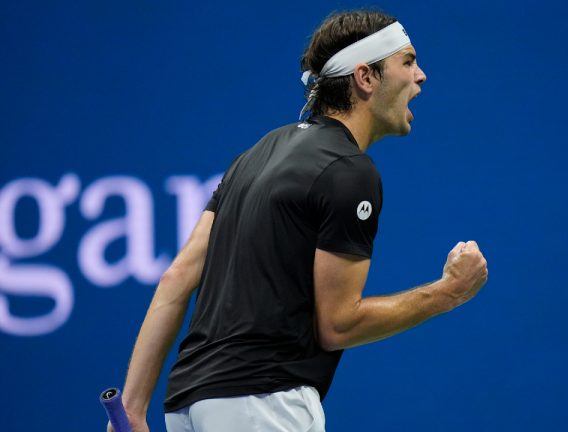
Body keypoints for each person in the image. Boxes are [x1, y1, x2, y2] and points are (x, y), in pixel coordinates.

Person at [110, 9, 488, 432]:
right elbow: (338, 324)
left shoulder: (257, 153)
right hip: (262, 404)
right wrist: (448, 293)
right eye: (408, 61)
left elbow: (176, 278)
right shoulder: (349, 170)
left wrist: (132, 408)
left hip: (187, 408)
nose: (421, 76)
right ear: (366, 78)